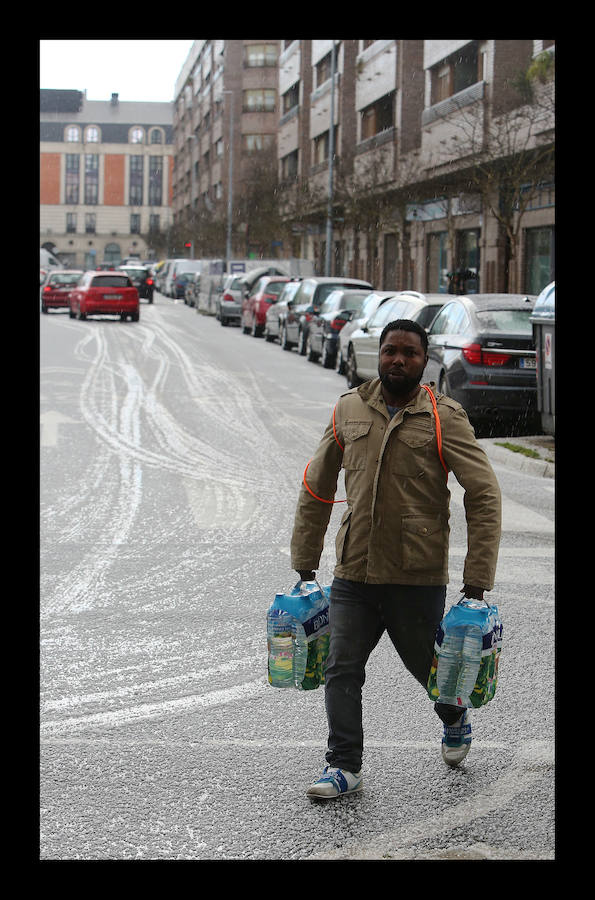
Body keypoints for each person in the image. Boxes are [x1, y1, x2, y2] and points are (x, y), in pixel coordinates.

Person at [290, 319, 501, 800]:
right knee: (341, 666)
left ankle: (453, 715)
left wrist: (477, 578)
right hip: (353, 571)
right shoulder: (348, 409)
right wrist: (305, 560)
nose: (398, 360)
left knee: (429, 669)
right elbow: (316, 486)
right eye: (390, 351)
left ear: (424, 361)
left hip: (415, 574)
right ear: (378, 355)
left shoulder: (445, 416)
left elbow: (483, 493)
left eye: (408, 353)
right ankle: (343, 765)